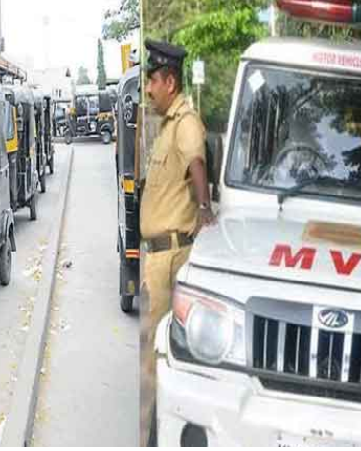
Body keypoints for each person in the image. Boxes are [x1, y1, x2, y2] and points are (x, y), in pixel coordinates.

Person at [139, 39, 215, 446]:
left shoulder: (185, 122)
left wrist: (204, 209)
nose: (148, 90)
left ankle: (151, 438)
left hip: (169, 257)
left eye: (152, 81)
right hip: (158, 255)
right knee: (150, 356)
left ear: (169, 80)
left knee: (156, 359)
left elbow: (196, 163)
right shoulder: (168, 122)